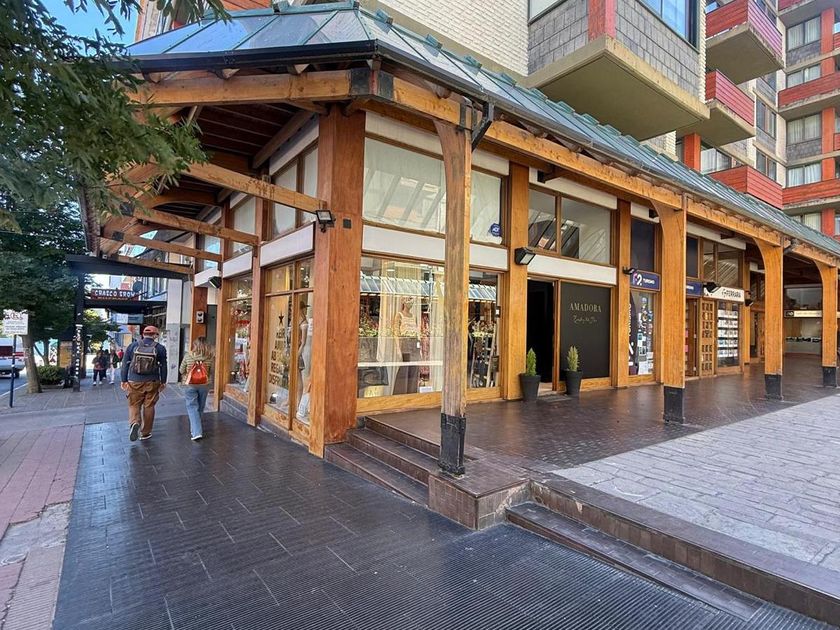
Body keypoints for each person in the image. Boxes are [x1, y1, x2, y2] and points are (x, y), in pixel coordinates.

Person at [121, 326, 167, 442]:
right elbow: (163, 366)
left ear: (143, 334)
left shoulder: (132, 346)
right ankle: (145, 433)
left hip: (134, 381)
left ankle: (135, 422)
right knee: (149, 406)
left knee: (134, 404)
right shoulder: (160, 348)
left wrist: (123, 380)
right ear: (155, 335)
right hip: (152, 381)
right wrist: (163, 381)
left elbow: (125, 364)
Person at [179, 337, 213, 441]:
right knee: (200, 407)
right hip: (204, 384)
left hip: (190, 385)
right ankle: (196, 427)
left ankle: (196, 432)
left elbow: (181, 370)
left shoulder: (188, 355)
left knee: (192, 407)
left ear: (195, 345)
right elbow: (210, 371)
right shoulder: (209, 357)